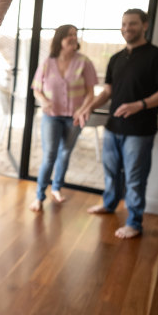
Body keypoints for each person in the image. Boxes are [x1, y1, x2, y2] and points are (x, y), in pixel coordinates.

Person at [79, 8, 158, 239]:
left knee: (134, 178)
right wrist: (88, 106)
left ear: (145, 25)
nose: (126, 28)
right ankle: (109, 204)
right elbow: (108, 92)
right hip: (113, 127)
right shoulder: (116, 58)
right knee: (111, 172)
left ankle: (134, 222)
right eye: (123, 24)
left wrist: (139, 105)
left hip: (140, 131)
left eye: (132, 24)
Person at [29, 24, 98, 212]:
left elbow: (91, 93)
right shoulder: (47, 62)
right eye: (69, 35)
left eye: (75, 35)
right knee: (50, 155)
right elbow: (36, 89)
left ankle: (57, 188)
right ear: (60, 39)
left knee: (65, 153)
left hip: (74, 118)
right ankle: (39, 196)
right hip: (51, 116)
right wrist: (44, 101)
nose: (73, 38)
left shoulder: (84, 62)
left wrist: (82, 109)